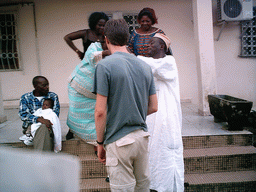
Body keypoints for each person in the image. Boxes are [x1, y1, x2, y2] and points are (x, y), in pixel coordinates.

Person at [93, 19, 158, 192]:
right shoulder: (144, 66)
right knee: (142, 188)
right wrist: (133, 113)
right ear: (128, 39)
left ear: (106, 39)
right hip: (142, 138)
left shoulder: (104, 66)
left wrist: (100, 143)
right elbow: (153, 107)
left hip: (118, 141)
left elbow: (100, 112)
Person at [138, 33, 184, 192]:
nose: (148, 46)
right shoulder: (151, 64)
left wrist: (129, 55)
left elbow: (151, 66)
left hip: (167, 118)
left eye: (152, 43)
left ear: (162, 47)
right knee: (154, 151)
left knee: (166, 153)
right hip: (152, 115)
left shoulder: (169, 62)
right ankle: (155, 186)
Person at [64, 11, 109, 140]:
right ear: (93, 24)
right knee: (76, 106)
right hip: (86, 71)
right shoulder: (86, 33)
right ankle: (72, 129)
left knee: (94, 105)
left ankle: (94, 129)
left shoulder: (106, 36)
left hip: (98, 73)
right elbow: (67, 37)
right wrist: (78, 51)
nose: (101, 28)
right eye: (99, 25)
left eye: (104, 25)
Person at [67, 41, 110, 152]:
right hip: (78, 87)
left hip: (97, 94)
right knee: (78, 115)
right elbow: (92, 57)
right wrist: (109, 52)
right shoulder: (94, 46)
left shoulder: (119, 51)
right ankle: (94, 143)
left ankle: (97, 144)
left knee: (98, 118)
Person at [19, 76, 60, 152]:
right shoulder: (25, 97)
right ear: (35, 86)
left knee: (43, 128)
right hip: (30, 128)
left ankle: (40, 160)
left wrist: (44, 122)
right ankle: (43, 160)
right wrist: (39, 119)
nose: (47, 87)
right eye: (44, 85)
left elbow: (55, 114)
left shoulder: (53, 96)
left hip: (48, 126)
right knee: (43, 128)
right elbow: (23, 115)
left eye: (47, 85)